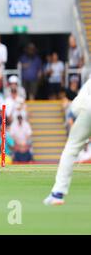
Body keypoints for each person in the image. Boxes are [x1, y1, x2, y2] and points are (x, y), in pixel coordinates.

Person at [44, 77, 91, 205]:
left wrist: (73, 115)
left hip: (87, 108)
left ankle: (57, 194)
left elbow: (78, 105)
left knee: (71, 148)